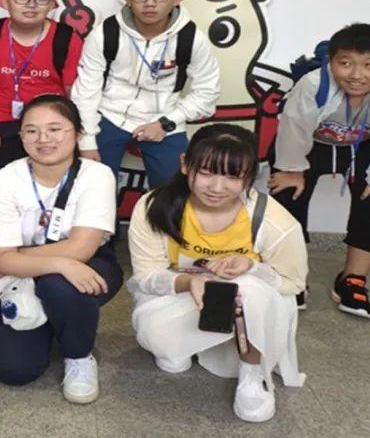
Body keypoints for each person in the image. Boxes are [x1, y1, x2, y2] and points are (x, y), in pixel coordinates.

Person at [128, 124, 307, 423]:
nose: (217, 187)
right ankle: (186, 343)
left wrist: (252, 267)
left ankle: (252, 374)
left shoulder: (272, 220)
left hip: (247, 314)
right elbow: (145, 276)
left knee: (247, 287)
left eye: (233, 177)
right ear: (185, 164)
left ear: (249, 178)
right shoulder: (154, 207)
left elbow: (293, 284)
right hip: (183, 300)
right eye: (207, 172)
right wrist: (189, 282)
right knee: (161, 344)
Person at [0, 94, 121, 403]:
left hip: (88, 265)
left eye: (55, 129)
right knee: (13, 370)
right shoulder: (7, 178)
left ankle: (79, 356)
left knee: (59, 286)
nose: (43, 139)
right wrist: (59, 262)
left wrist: (13, 257)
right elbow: (0, 261)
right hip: (24, 273)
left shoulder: (96, 175)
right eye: (32, 131)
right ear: (21, 137)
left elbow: (82, 249)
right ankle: (54, 319)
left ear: (78, 133)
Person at [268, 23, 370, 316]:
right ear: (331, 62)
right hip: (309, 143)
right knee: (286, 195)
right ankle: (290, 276)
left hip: (364, 146)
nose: (356, 74)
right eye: (345, 63)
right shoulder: (313, 84)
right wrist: (291, 169)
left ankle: (353, 280)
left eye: (369, 65)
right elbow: (293, 127)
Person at [71, 0, 220, 187]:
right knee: (93, 187)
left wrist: (167, 123)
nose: (150, 3)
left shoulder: (191, 38)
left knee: (173, 190)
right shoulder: (105, 33)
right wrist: (87, 141)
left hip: (164, 117)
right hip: (109, 116)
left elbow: (207, 93)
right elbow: (86, 89)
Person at [0, 0, 82, 173]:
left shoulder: (66, 39)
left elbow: (73, 93)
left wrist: (73, 134)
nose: (31, 5)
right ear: (6, 2)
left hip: (48, 126)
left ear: (52, 4)